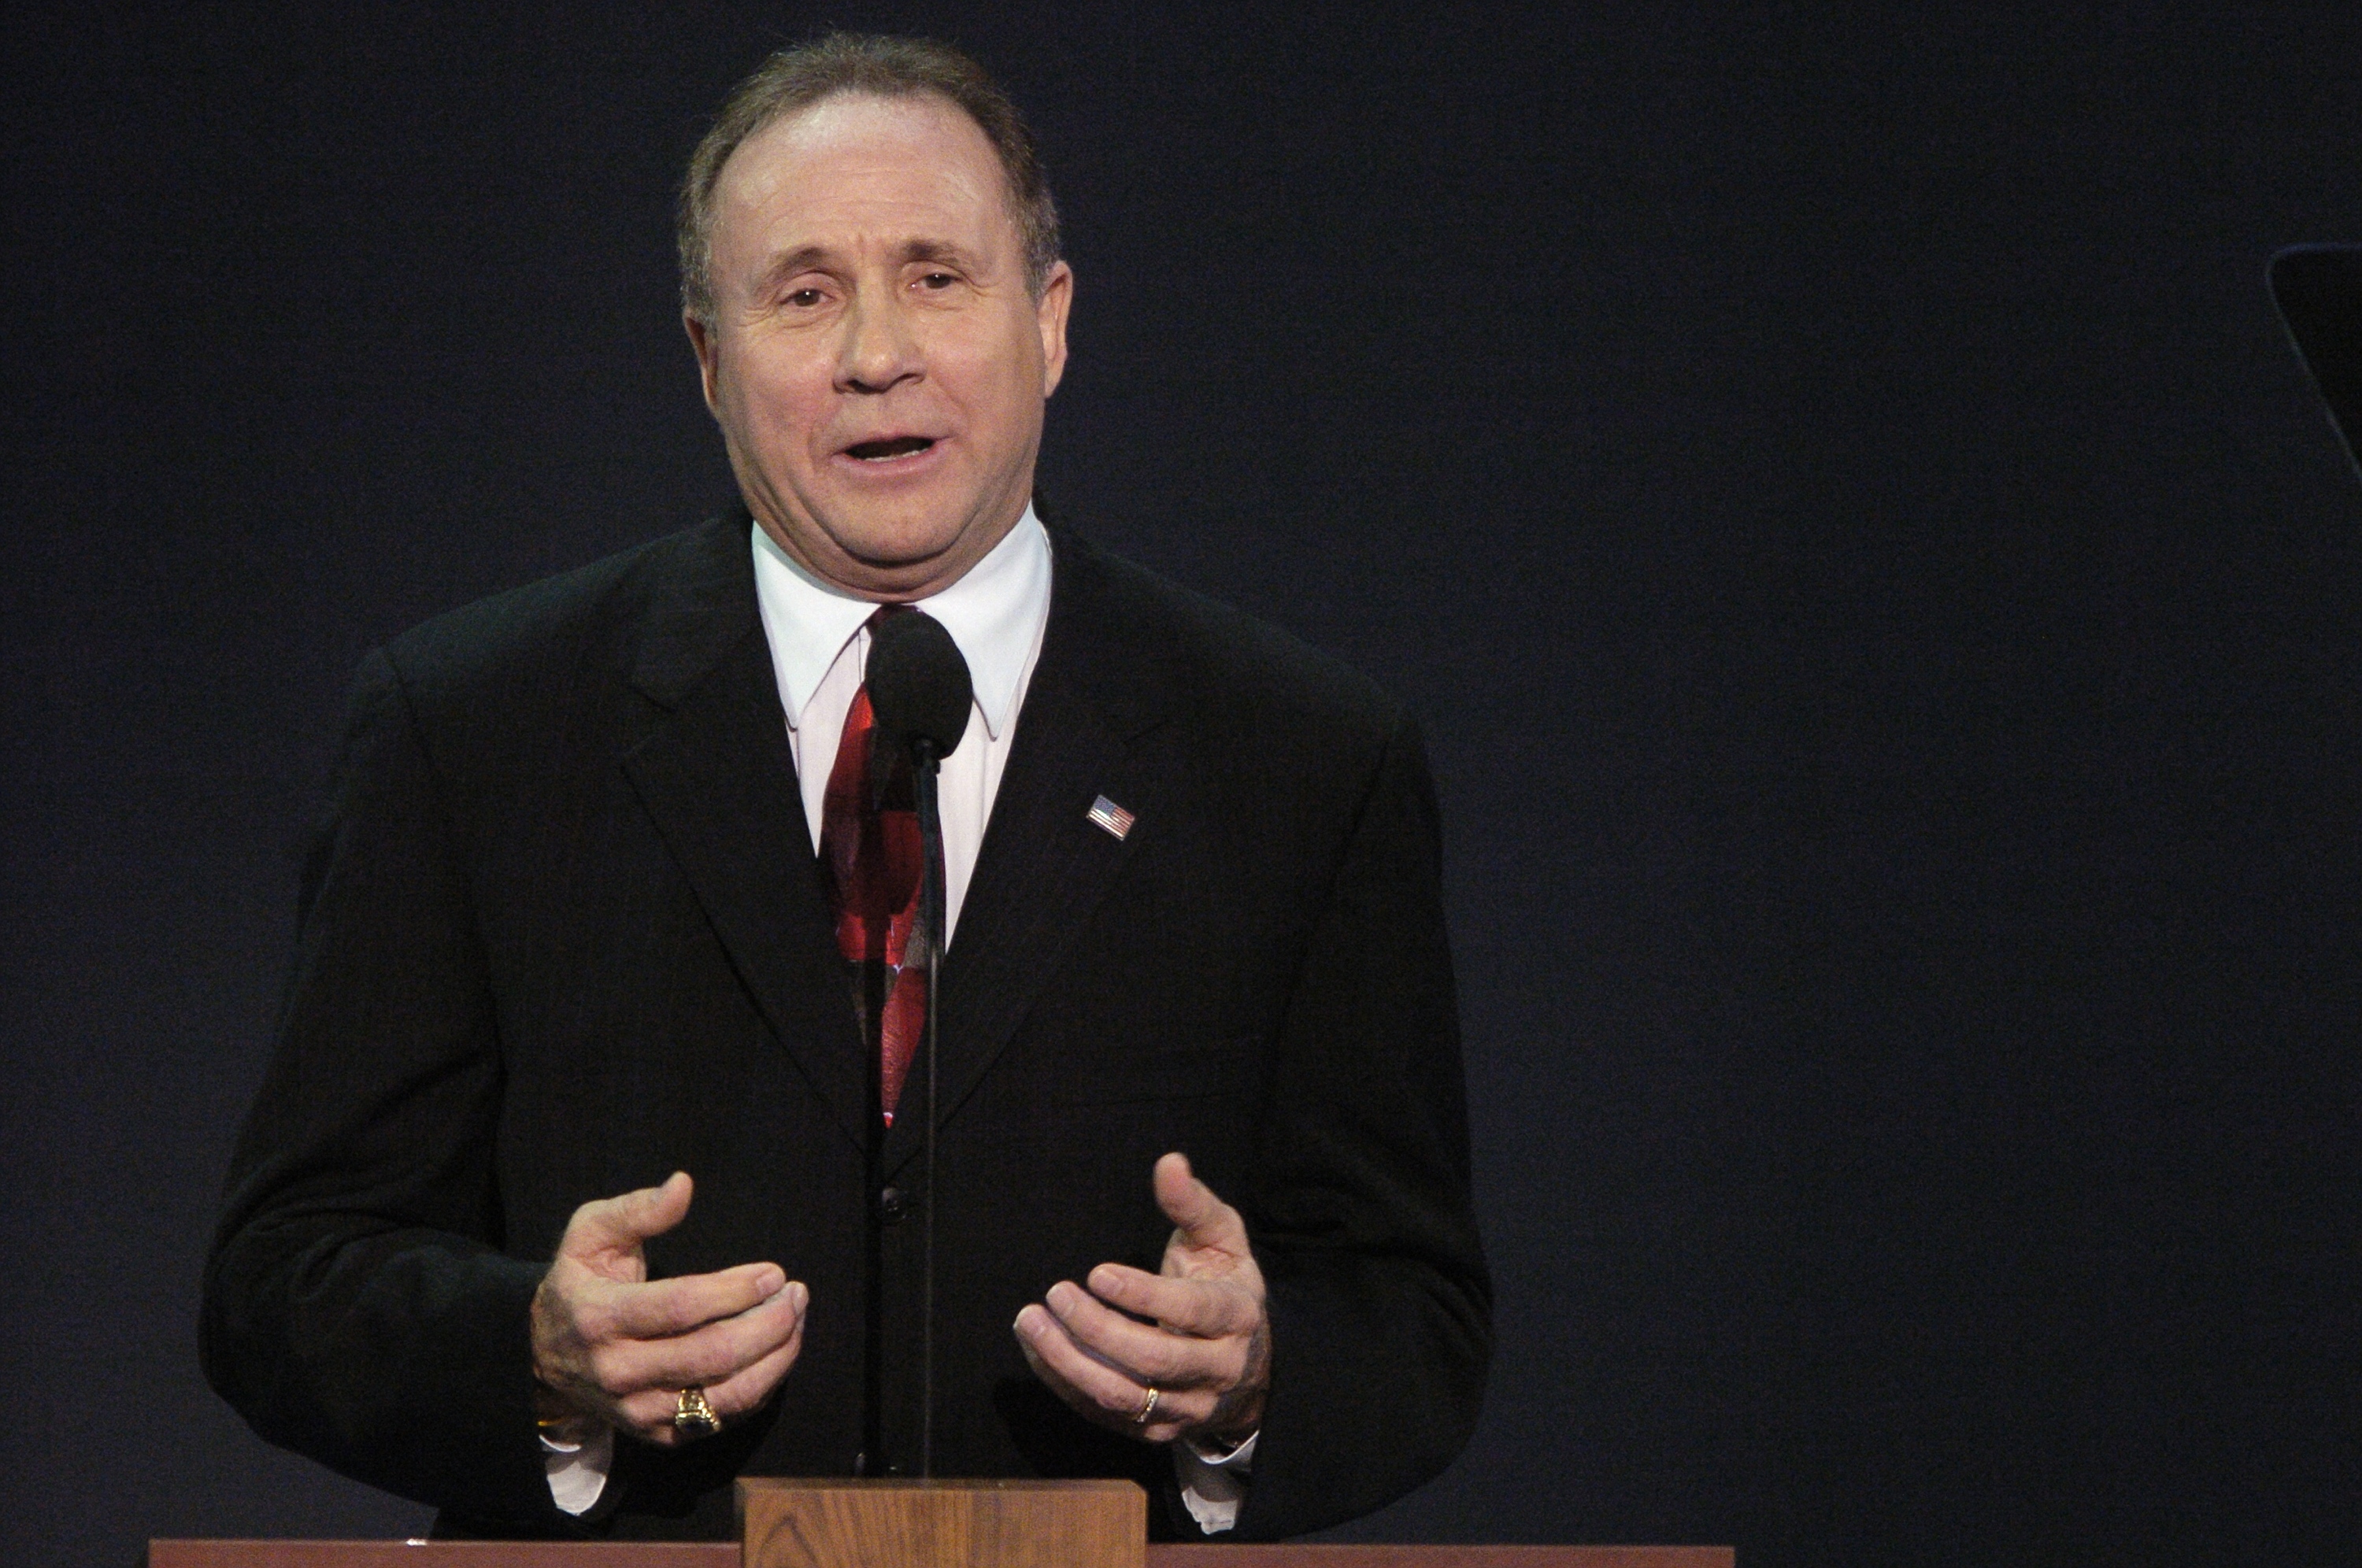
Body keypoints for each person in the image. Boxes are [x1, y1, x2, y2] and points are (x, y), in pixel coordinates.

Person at [200, 32, 1490, 1543]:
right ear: (706, 359)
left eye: (939, 276)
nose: (878, 351)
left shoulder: (1300, 757)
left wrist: (1257, 1381)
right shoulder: (475, 727)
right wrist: (535, 1358)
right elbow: (281, 1277)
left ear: (1052, 322)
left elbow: (1415, 1313)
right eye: (803, 293)